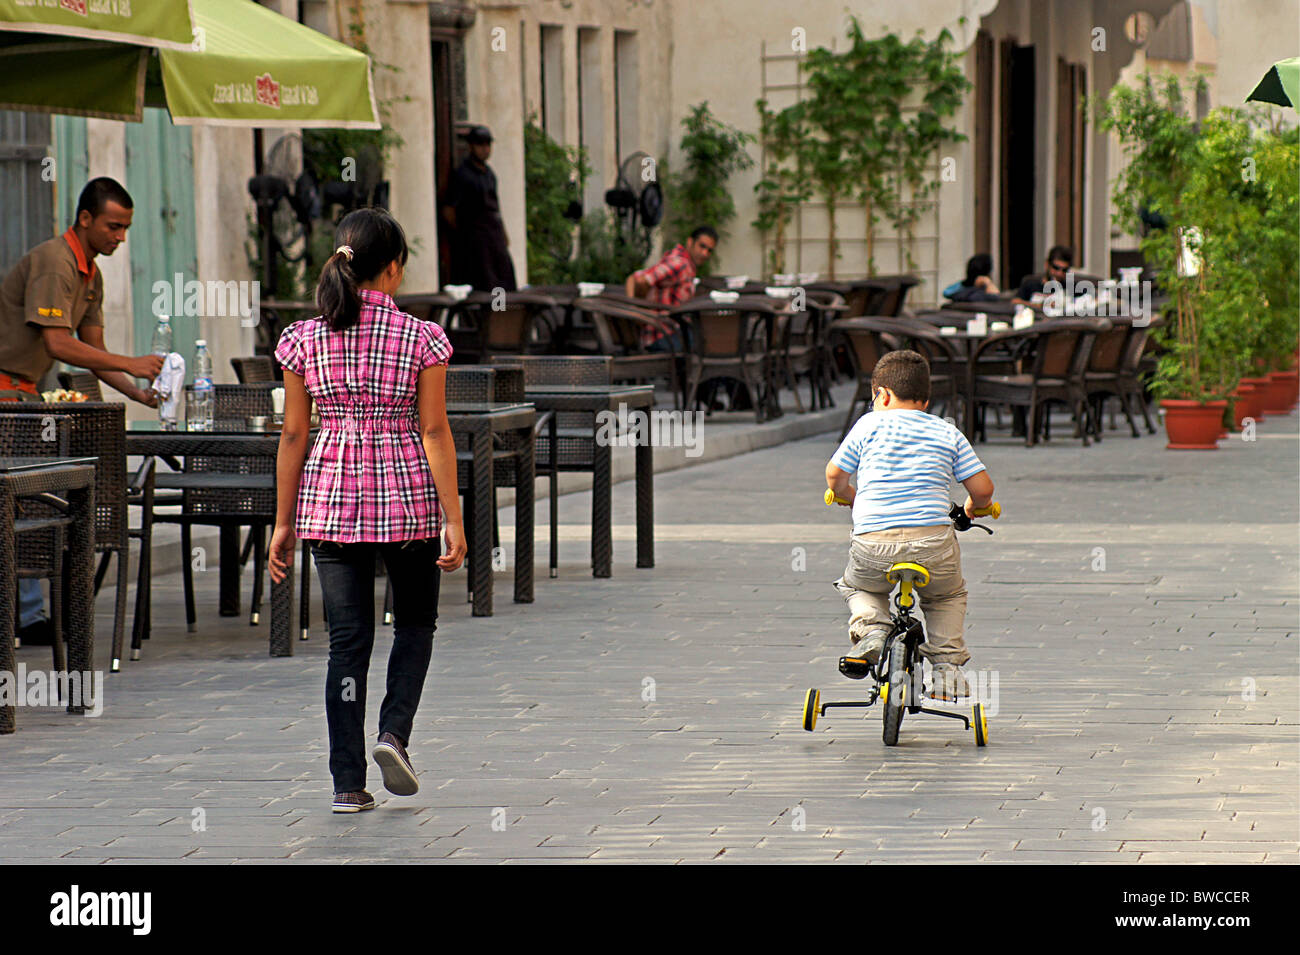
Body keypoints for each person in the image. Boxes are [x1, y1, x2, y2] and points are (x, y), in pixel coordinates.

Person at [269, 208, 467, 814]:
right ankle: (394, 734)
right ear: (395, 267)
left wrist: (282, 521)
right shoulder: (421, 336)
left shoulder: (303, 339)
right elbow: (434, 429)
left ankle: (347, 785)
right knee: (413, 625)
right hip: (404, 498)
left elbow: (294, 436)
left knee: (346, 644)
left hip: (329, 503)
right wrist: (453, 517)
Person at [0, 176, 163, 647]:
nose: (121, 237)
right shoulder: (56, 261)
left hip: (26, 394)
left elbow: (94, 349)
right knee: (24, 498)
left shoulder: (92, 272)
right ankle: (27, 615)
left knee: (34, 497)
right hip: (6, 394)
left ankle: (31, 614)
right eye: (114, 226)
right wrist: (130, 363)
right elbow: (58, 343)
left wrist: (137, 392)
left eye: (126, 228)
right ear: (86, 219)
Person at [824, 350, 996, 701]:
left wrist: (847, 495)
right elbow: (983, 490)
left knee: (860, 588)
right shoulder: (946, 431)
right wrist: (976, 508)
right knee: (947, 595)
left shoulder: (868, 425)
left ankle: (871, 630)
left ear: (882, 395)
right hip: (933, 542)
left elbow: (834, 475)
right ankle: (948, 669)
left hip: (873, 543)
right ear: (926, 400)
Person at [442, 125, 517, 292]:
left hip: (494, 236)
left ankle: (501, 314)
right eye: (481, 145)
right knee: (484, 283)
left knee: (503, 281)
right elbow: (449, 210)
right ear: (471, 146)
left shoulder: (489, 174)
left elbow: (495, 207)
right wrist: (465, 235)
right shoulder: (462, 174)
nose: (485, 150)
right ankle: (484, 317)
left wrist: (503, 234)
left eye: (488, 145)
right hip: (476, 240)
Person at [624, 225, 717, 352]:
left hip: (667, 332)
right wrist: (638, 311)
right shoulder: (680, 264)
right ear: (690, 242)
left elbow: (632, 278)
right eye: (702, 246)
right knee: (714, 345)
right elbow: (640, 281)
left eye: (709, 250)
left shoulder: (681, 261)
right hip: (665, 335)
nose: (704, 253)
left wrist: (634, 308)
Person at [1011, 245, 1076, 306]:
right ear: (1047, 264)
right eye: (1056, 268)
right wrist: (1040, 305)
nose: (1059, 273)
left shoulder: (1071, 287)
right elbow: (1015, 302)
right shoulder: (1031, 283)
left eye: (1064, 270)